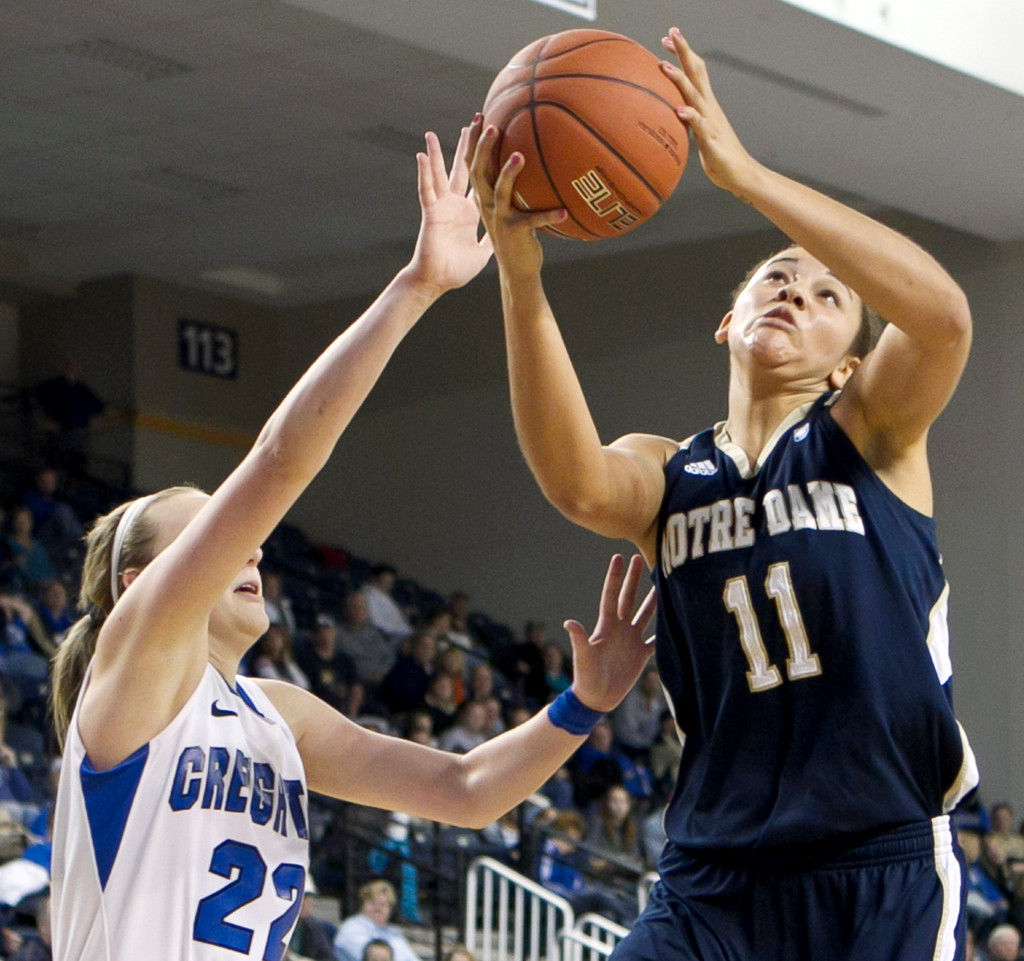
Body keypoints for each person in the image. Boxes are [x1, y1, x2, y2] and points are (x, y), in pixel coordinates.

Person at [48, 120, 657, 961]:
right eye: (214, 535)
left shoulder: (277, 715)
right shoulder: (134, 674)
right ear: (138, 585)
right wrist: (416, 286)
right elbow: (278, 462)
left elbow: (466, 788)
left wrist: (583, 704)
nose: (252, 548)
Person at [470, 25, 976, 961]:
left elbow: (943, 318)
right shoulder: (668, 472)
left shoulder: (872, 432)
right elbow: (575, 482)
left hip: (877, 862)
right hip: (716, 878)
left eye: (828, 297)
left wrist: (743, 176)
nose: (795, 293)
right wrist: (520, 270)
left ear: (849, 367)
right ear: (726, 321)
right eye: (777, 276)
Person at [332, 880, 420, 961]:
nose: (377, 908)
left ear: (390, 909)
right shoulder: (351, 927)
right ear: (362, 905)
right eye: (372, 903)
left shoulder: (394, 933)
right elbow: (374, 957)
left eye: (383, 904)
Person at [250, 623, 310, 689]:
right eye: (271, 638)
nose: (275, 642)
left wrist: (288, 663)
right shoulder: (262, 662)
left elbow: (303, 684)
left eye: (278, 638)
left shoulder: (286, 660)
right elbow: (275, 683)